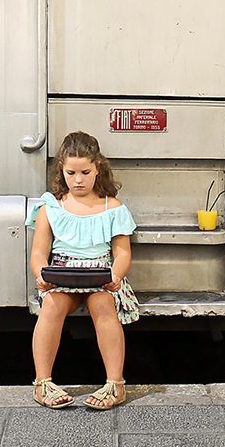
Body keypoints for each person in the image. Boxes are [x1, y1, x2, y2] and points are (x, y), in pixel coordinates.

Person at [26, 131, 139, 410]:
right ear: (61, 170)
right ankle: (42, 383)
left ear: (98, 168)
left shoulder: (111, 207)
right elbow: (39, 253)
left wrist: (116, 275)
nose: (78, 180)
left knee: (103, 306)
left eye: (85, 172)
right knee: (51, 306)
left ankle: (115, 384)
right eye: (71, 172)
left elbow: (122, 253)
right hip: (62, 273)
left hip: (100, 274)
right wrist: (41, 275)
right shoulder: (51, 207)